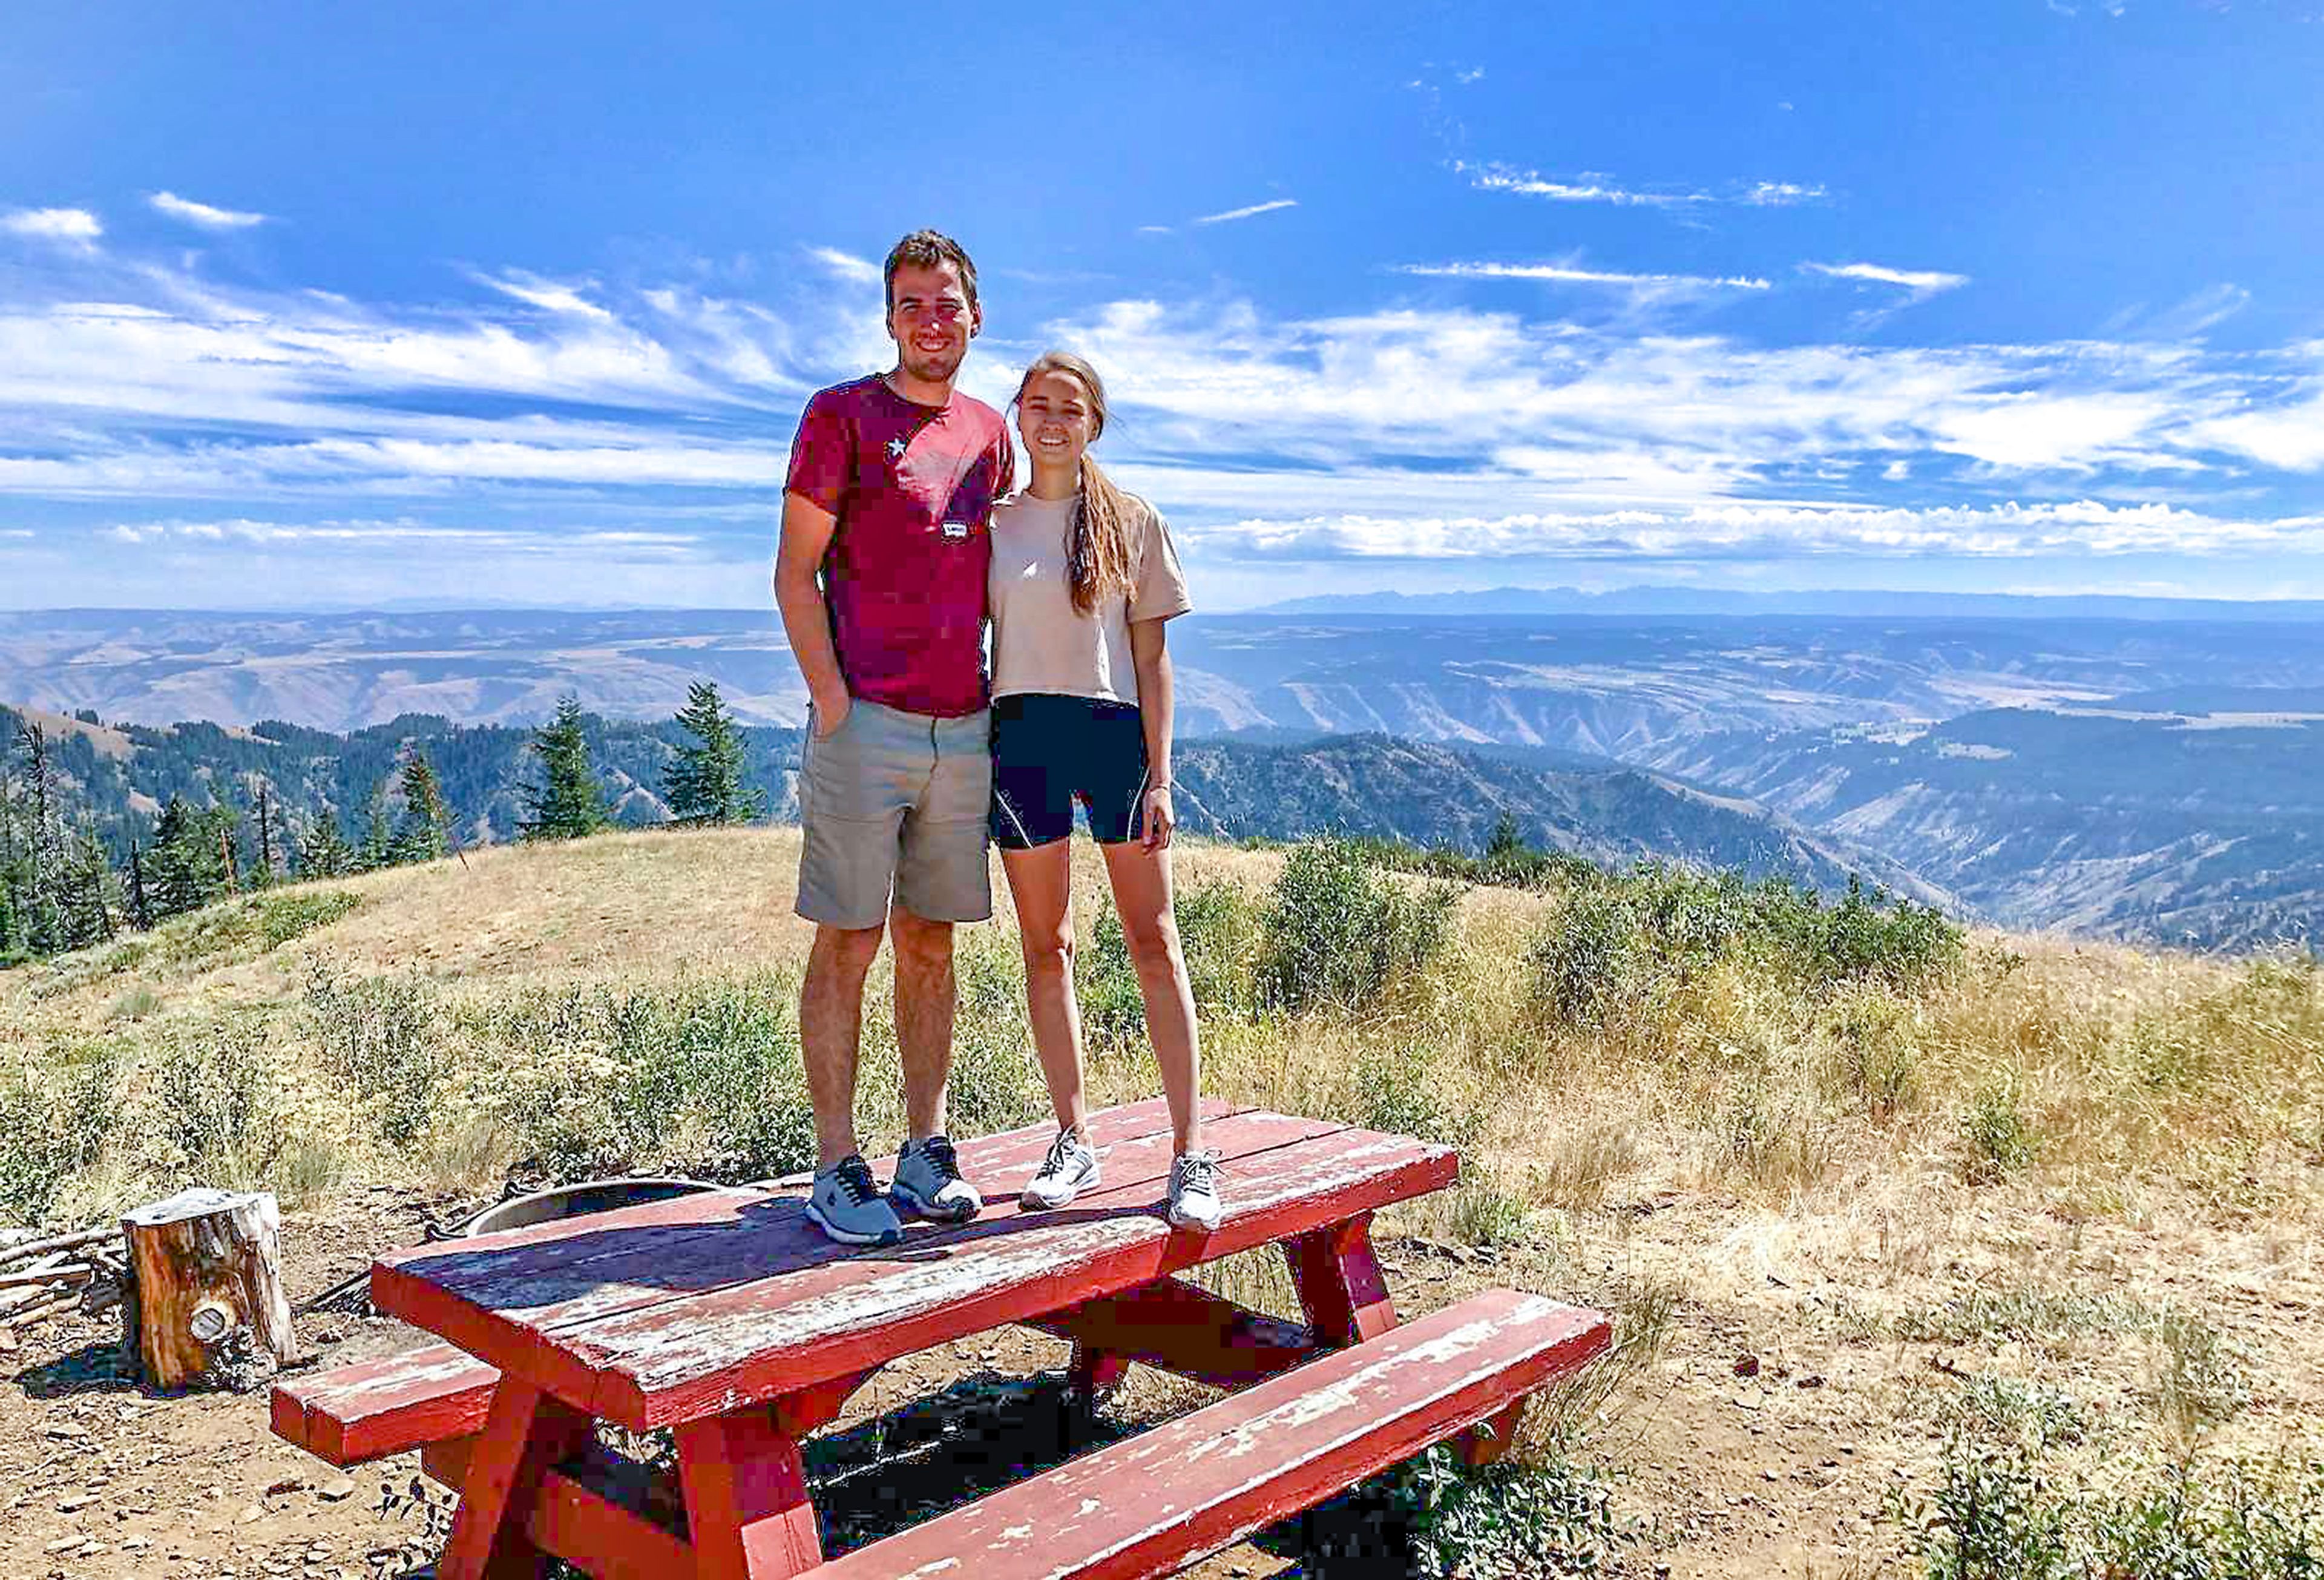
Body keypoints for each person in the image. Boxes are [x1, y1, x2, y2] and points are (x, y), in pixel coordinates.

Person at [773, 229, 1015, 1246]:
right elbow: (795, 574)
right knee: (850, 937)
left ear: (975, 316)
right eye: (912, 303)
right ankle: (837, 1164)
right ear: (888, 317)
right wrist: (833, 703)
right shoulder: (841, 416)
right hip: (865, 721)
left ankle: (925, 1148)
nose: (931, 319)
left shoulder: (990, 432)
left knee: (930, 939)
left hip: (964, 725)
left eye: (947, 302)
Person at [987, 351, 1218, 1232]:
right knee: (1048, 947)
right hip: (1021, 736)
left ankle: (1191, 1152)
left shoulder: (1133, 520)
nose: (1052, 419)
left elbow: (1155, 662)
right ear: (1017, 412)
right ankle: (1073, 1138)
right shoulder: (995, 523)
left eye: (1071, 408)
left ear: (1095, 423)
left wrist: (1162, 778)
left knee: (1153, 940)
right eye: (1038, 403)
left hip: (1112, 733)